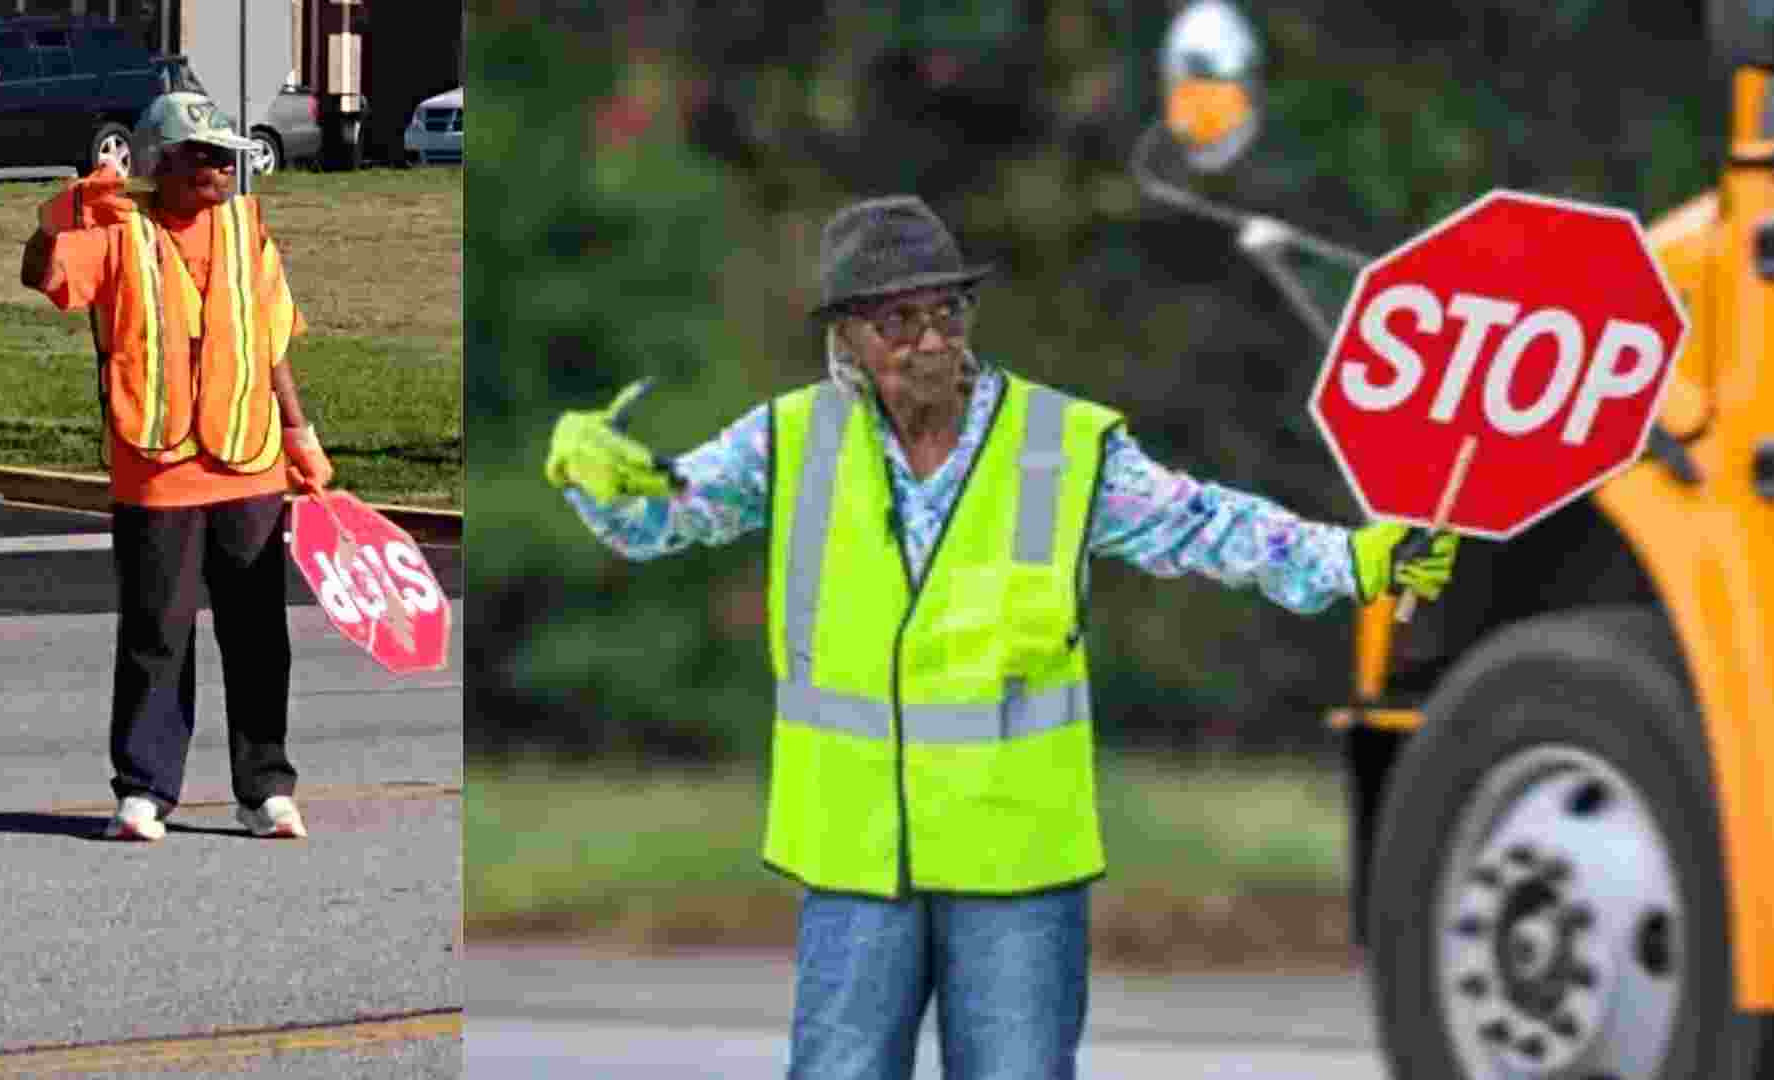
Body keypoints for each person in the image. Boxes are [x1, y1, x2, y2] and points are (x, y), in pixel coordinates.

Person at [545, 194, 1460, 1079]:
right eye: (898, 322)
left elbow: (1204, 525)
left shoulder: (1060, 442)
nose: (932, 340)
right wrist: (600, 478)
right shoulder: (788, 440)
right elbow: (663, 516)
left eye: (946, 311)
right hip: (856, 857)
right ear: (846, 338)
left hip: (1016, 863)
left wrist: (1355, 560)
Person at [19, 92, 336, 843]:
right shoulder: (115, 228)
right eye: (203, 155)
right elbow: (41, 276)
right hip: (157, 468)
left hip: (251, 461)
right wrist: (54, 219)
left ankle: (265, 790)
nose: (221, 169)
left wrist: (302, 432)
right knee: (157, 633)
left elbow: (272, 341)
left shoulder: (247, 230)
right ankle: (145, 791)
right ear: (160, 161)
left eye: (226, 156)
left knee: (259, 636)